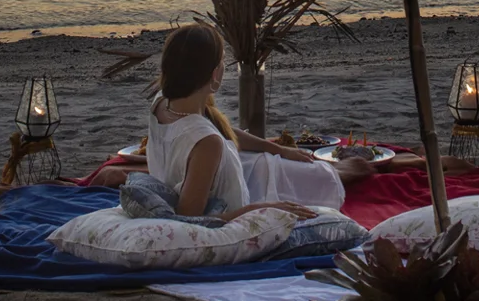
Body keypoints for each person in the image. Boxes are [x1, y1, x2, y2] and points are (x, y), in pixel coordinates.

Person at [146, 23, 346, 218]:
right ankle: (345, 171)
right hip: (229, 216)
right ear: (214, 74)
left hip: (209, 184)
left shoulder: (163, 102)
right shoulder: (206, 143)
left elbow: (217, 130)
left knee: (272, 163)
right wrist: (266, 209)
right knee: (322, 177)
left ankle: (340, 170)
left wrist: (279, 149)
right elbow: (189, 219)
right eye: (223, 61)